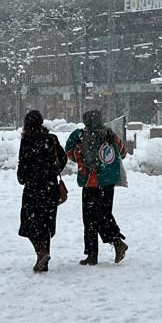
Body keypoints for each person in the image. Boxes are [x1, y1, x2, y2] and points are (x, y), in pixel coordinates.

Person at [65, 108, 128, 265]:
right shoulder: (109, 134)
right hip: (108, 182)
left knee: (90, 219)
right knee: (104, 214)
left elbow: (68, 151)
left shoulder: (80, 135)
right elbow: (123, 152)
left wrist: (80, 158)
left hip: (91, 183)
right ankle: (116, 242)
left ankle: (93, 254)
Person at [16, 108, 68, 273]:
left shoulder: (27, 140)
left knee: (29, 223)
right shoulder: (51, 139)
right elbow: (63, 158)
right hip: (50, 187)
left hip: (33, 188)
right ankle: (43, 258)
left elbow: (23, 164)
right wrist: (53, 170)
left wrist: (23, 177)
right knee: (45, 224)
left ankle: (41, 252)